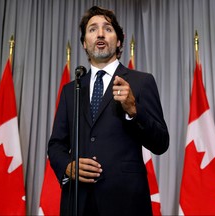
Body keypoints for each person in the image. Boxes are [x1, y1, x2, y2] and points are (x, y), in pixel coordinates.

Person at [48, 6, 169, 216]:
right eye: (92, 29)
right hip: (78, 201)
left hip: (126, 201)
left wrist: (134, 110)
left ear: (119, 41)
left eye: (108, 28)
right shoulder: (71, 89)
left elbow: (161, 143)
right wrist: (68, 166)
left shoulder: (141, 82)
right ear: (85, 43)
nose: (100, 33)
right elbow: (56, 145)